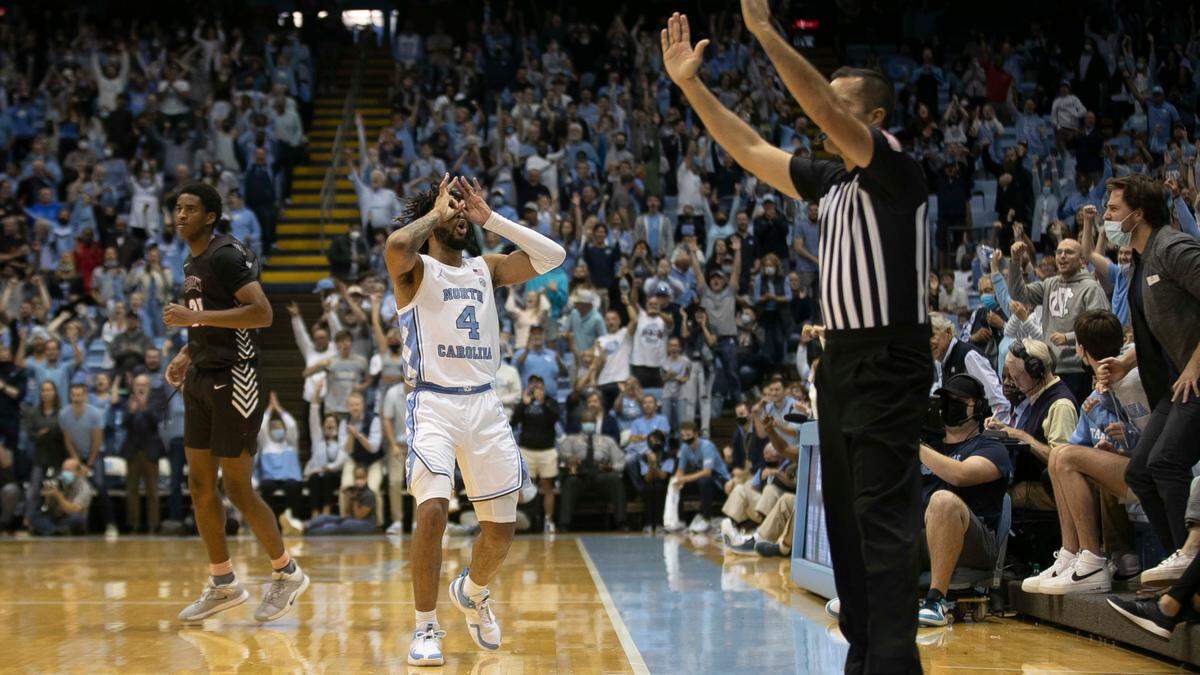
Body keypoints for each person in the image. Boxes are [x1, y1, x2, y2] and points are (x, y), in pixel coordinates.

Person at [662, 6, 934, 669]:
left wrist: (765, 35)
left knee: (880, 520)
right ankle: (865, 654)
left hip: (889, 359)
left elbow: (811, 100)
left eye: (836, 107)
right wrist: (691, 86)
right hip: (839, 363)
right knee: (845, 526)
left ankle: (894, 659)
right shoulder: (833, 180)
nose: (818, 115)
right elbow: (750, 149)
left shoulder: (897, 168)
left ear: (871, 120)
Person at [384, 175, 564, 666]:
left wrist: (494, 219)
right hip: (434, 403)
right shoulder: (413, 269)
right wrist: (437, 212)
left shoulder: (486, 268)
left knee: (502, 531)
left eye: (465, 210)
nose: (461, 216)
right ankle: (425, 625)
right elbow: (396, 242)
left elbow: (554, 256)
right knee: (433, 511)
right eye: (453, 210)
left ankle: (473, 590)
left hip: (484, 405)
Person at [161, 182, 309, 624]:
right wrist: (188, 350)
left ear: (210, 216)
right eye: (177, 208)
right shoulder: (192, 260)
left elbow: (262, 314)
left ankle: (286, 573)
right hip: (203, 375)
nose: (180, 215)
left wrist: (196, 318)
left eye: (189, 209)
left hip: (237, 376)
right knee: (201, 487)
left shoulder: (226, 254)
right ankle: (223, 582)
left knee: (238, 488)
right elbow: (209, 319)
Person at [1097, 174, 1200, 584]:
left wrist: (1195, 363)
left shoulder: (1174, 247)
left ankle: (1190, 567)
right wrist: (1126, 362)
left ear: (1138, 215)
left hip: (1194, 378)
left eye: (1113, 209)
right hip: (1175, 385)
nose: (1106, 216)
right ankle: (1178, 561)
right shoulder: (1141, 261)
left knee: (1166, 461)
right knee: (1139, 471)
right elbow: (1163, 326)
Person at [1022, 310, 1148, 596]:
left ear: (1079, 349)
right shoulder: (1098, 395)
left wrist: (1126, 440)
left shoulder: (1136, 376)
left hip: (1160, 470)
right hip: (1141, 467)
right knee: (1060, 455)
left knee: (1065, 455)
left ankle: (1092, 558)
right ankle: (1071, 553)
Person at [914, 375, 1012, 626]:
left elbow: (960, 475)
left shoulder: (991, 448)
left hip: (975, 543)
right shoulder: (929, 446)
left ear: (978, 407)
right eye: (945, 400)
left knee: (943, 501)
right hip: (924, 538)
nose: (949, 406)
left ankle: (936, 601)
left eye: (958, 401)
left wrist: (916, 446)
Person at [1006, 237, 1110, 403]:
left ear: (1082, 260)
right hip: (1049, 369)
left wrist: (1068, 338)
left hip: (1078, 370)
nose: (1062, 256)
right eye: (1059, 252)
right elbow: (1018, 293)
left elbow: (1100, 327)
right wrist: (1015, 260)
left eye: (1069, 252)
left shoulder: (1090, 288)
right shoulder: (1050, 284)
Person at [986, 339, 1077, 510]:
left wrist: (1023, 437)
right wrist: (1003, 429)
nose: (1013, 383)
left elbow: (1063, 461)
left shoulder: (1060, 405)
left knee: (994, 499)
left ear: (1036, 372)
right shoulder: (1038, 396)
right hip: (1030, 480)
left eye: (1016, 377)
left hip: (1049, 492)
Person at [929, 313, 1009, 416]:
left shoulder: (969, 356)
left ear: (948, 332)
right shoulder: (940, 360)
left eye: (932, 336)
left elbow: (998, 401)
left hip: (983, 427)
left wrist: (995, 429)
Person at [511, 374, 560, 533]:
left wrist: (543, 403)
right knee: (525, 488)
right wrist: (523, 405)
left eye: (538, 385)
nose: (536, 388)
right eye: (532, 385)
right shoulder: (524, 402)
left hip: (547, 450)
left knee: (548, 487)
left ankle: (548, 520)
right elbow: (513, 422)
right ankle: (529, 520)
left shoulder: (550, 402)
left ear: (543, 387)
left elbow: (555, 418)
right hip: (527, 450)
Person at [556, 419, 625, 531]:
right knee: (570, 482)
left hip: (601, 473)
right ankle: (564, 524)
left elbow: (620, 462)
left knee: (615, 480)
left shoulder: (607, 440)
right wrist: (570, 458)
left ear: (595, 423)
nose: (588, 424)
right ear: (581, 423)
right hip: (579, 474)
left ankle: (621, 522)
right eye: (585, 421)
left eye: (591, 421)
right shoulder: (571, 439)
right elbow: (562, 456)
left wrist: (611, 467)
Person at [121, 374, 166, 534]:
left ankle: (153, 525)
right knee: (131, 490)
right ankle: (133, 524)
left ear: (149, 386)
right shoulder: (128, 402)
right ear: (133, 386)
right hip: (132, 451)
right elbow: (123, 424)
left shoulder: (155, 401)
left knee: (152, 491)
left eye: (143, 384)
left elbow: (156, 421)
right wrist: (132, 412)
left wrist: (144, 407)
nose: (140, 387)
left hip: (150, 452)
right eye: (138, 384)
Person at [281, 466, 379, 536]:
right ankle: (301, 526)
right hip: (352, 520)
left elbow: (359, 516)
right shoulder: (355, 491)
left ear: (366, 478)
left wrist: (354, 499)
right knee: (325, 517)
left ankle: (303, 531)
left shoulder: (369, 495)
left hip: (367, 524)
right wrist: (347, 498)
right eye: (357, 478)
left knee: (341, 524)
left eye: (361, 478)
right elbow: (347, 513)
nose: (359, 481)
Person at [254, 392, 305, 521]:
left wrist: (278, 407)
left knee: (293, 487)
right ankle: (270, 520)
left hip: (290, 478)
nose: (277, 429)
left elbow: (292, 425)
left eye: (279, 427)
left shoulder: (291, 443)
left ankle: (293, 519)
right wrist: (269, 409)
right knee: (266, 486)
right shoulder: (266, 444)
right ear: (270, 431)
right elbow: (261, 427)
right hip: (271, 479)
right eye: (273, 427)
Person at [29, 457, 94, 536]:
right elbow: (47, 507)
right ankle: (56, 530)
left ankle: (51, 530)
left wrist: (58, 496)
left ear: (78, 472)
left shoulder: (84, 488)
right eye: (63, 470)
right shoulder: (58, 481)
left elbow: (74, 509)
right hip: (56, 517)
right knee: (34, 515)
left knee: (78, 519)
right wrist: (46, 496)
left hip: (70, 517)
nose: (64, 473)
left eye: (68, 470)